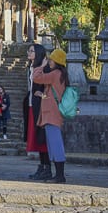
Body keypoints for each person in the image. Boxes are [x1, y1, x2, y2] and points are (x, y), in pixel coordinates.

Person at [32, 47, 69, 183]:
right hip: (52, 113)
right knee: (54, 145)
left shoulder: (55, 74)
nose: (49, 61)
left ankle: (60, 175)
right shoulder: (61, 74)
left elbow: (36, 78)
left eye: (51, 59)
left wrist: (41, 66)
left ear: (56, 61)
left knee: (56, 145)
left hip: (51, 114)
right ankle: (58, 174)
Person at [22, 43, 51, 180]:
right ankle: (42, 166)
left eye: (32, 51)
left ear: (38, 53)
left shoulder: (43, 69)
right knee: (36, 138)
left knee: (42, 137)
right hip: (31, 105)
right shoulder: (31, 68)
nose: (29, 52)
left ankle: (47, 167)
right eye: (29, 50)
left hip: (40, 107)